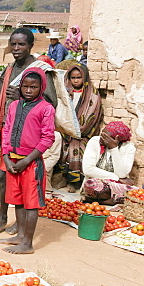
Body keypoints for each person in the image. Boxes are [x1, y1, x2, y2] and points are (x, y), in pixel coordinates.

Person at [0, 28, 57, 234]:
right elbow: (1, 103)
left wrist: (21, 95)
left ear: (31, 46)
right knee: (2, 177)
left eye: (21, 44)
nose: (16, 49)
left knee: (24, 182)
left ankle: (21, 222)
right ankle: (2, 215)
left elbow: (51, 104)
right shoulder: (9, 69)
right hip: (9, 133)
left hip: (29, 138)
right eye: (13, 44)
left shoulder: (40, 70)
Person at [0, 69, 56, 255]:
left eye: (34, 87)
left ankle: (28, 243)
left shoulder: (46, 108)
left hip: (31, 163)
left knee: (31, 203)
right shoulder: (14, 105)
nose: (29, 90)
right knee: (18, 200)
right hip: (13, 161)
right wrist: (6, 157)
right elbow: (6, 130)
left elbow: (47, 138)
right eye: (25, 86)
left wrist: (28, 160)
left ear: (41, 88)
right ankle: (20, 235)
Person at [55, 60, 102, 190]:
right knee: (61, 145)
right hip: (66, 130)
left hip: (84, 133)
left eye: (79, 77)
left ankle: (75, 181)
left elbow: (91, 116)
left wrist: (77, 131)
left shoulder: (92, 94)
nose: (76, 81)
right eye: (73, 78)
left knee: (77, 147)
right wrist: (66, 128)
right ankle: (63, 177)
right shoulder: (65, 92)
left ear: (85, 77)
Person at [81, 122, 136, 205]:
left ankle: (96, 201)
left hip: (116, 186)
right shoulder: (94, 142)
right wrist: (117, 178)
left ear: (116, 139)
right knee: (91, 185)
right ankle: (111, 201)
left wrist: (114, 148)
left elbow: (122, 173)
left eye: (105, 136)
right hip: (96, 184)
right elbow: (88, 169)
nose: (101, 138)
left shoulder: (129, 148)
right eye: (101, 134)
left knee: (135, 192)